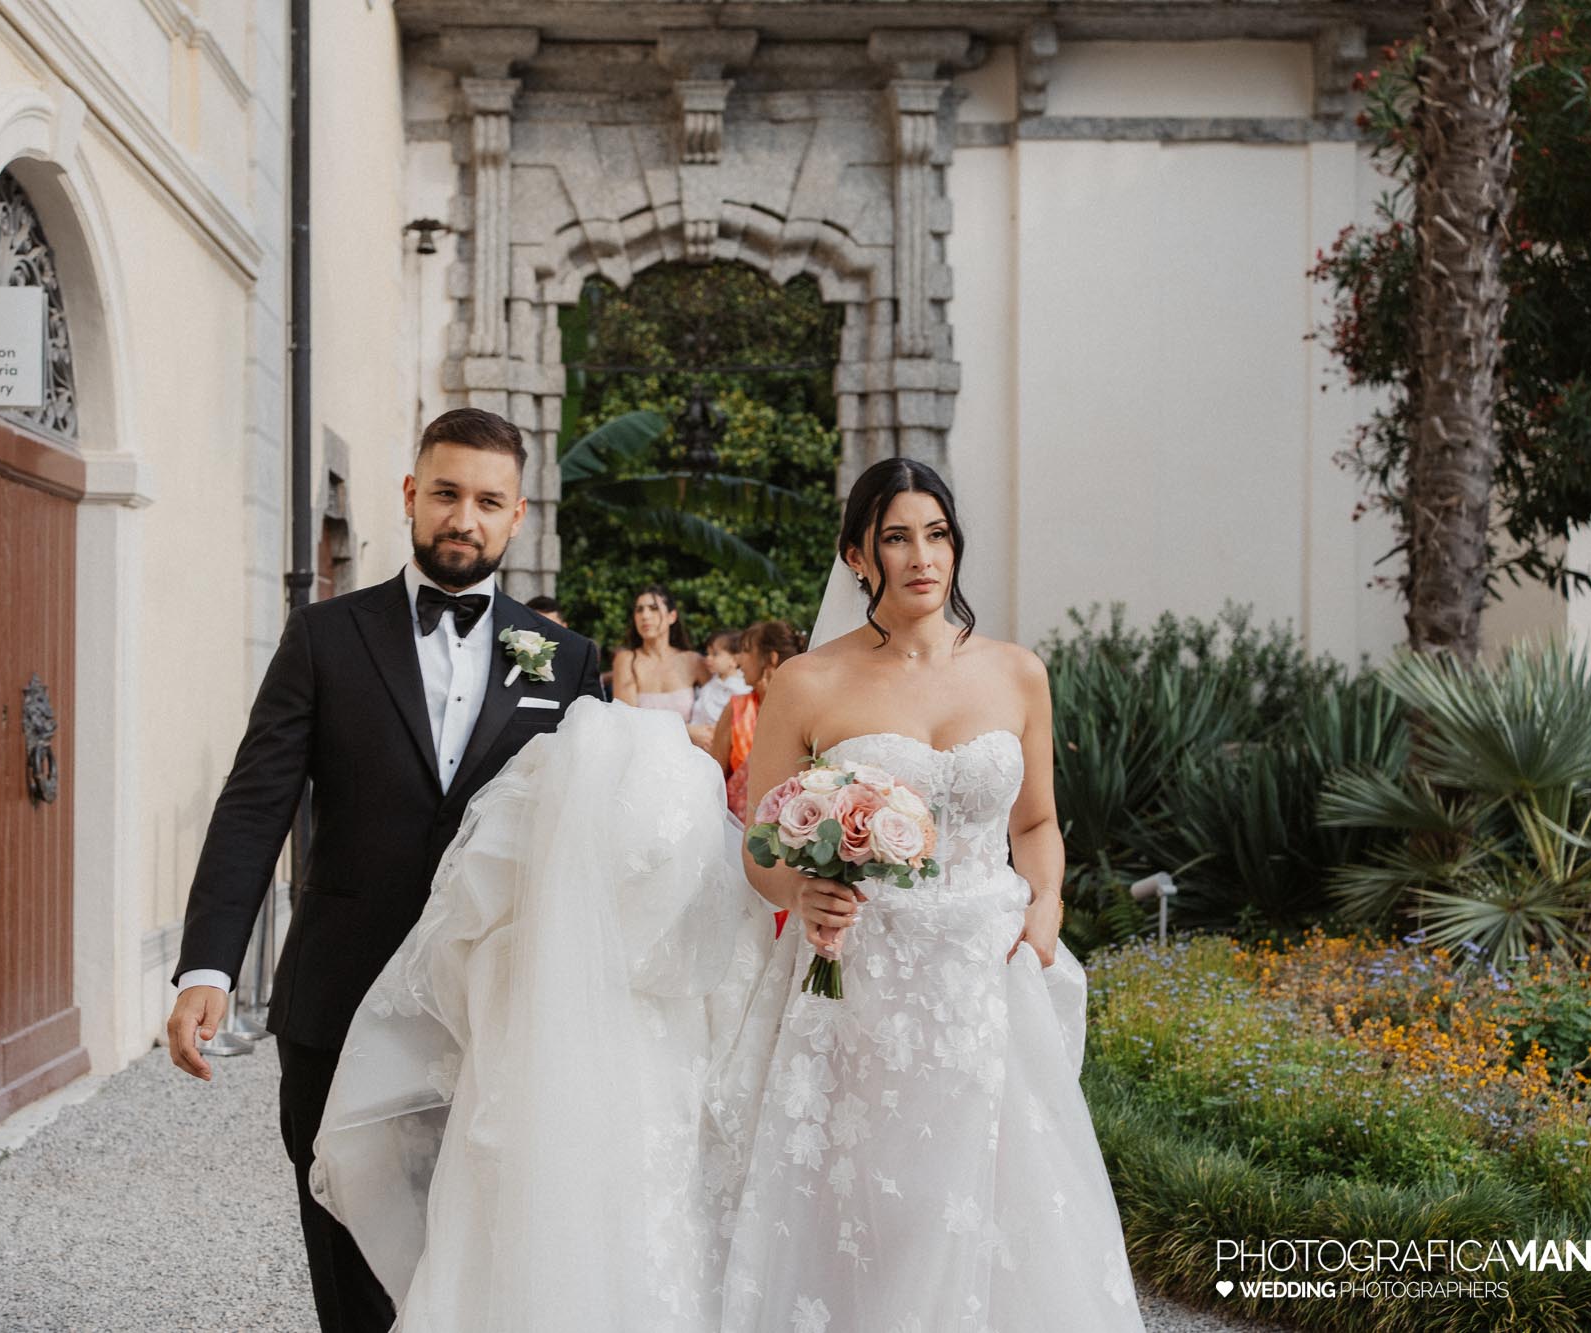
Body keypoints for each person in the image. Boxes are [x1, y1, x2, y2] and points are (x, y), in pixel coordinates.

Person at [311, 458, 1146, 1332]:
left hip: (985, 977)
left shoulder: (1017, 673)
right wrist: (805, 888)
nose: (922, 556)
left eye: (936, 534)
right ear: (858, 556)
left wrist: (1045, 907)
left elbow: (1037, 823)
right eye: (897, 537)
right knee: (866, 1209)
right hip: (855, 980)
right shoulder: (808, 683)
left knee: (994, 1209)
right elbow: (759, 845)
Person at [164, 407, 603, 1333]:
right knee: (346, 1248)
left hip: (490, 1007)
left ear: (518, 514)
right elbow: (255, 803)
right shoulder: (324, 637)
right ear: (410, 494)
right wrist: (208, 964)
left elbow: (592, 842)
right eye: (446, 493)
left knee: (474, 1250)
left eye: (488, 501)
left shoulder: (567, 663)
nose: (463, 518)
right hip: (339, 995)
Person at [710, 620, 800, 823]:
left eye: (746, 650)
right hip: (735, 824)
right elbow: (713, 778)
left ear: (771, 658)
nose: (738, 659)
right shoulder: (736, 708)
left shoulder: (800, 710)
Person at [610, 584, 707, 723]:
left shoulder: (693, 661)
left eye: (654, 608)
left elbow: (719, 708)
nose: (645, 616)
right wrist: (690, 731)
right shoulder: (627, 660)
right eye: (639, 610)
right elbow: (627, 721)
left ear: (672, 616)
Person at [687, 628, 749, 752]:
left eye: (715, 654)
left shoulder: (742, 687)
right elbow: (699, 711)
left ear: (734, 660)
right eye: (707, 653)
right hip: (702, 741)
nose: (708, 658)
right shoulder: (710, 686)